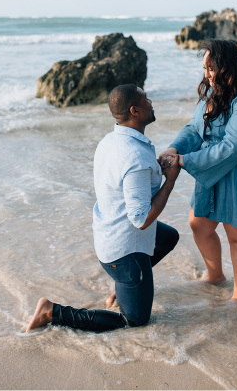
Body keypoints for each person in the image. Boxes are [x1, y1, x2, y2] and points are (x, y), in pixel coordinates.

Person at [27, 84, 180, 333]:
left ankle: (125, 286)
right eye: (146, 100)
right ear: (135, 110)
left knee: (168, 236)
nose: (151, 102)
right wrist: (170, 180)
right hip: (123, 253)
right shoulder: (136, 157)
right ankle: (51, 311)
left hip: (108, 236)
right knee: (135, 321)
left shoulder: (110, 141)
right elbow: (141, 219)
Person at [158, 39, 237, 300]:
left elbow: (233, 146)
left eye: (212, 68)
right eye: (205, 68)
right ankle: (215, 276)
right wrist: (174, 148)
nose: (207, 75)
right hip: (212, 166)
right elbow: (193, 128)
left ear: (228, 66)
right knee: (198, 223)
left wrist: (186, 161)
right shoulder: (213, 93)